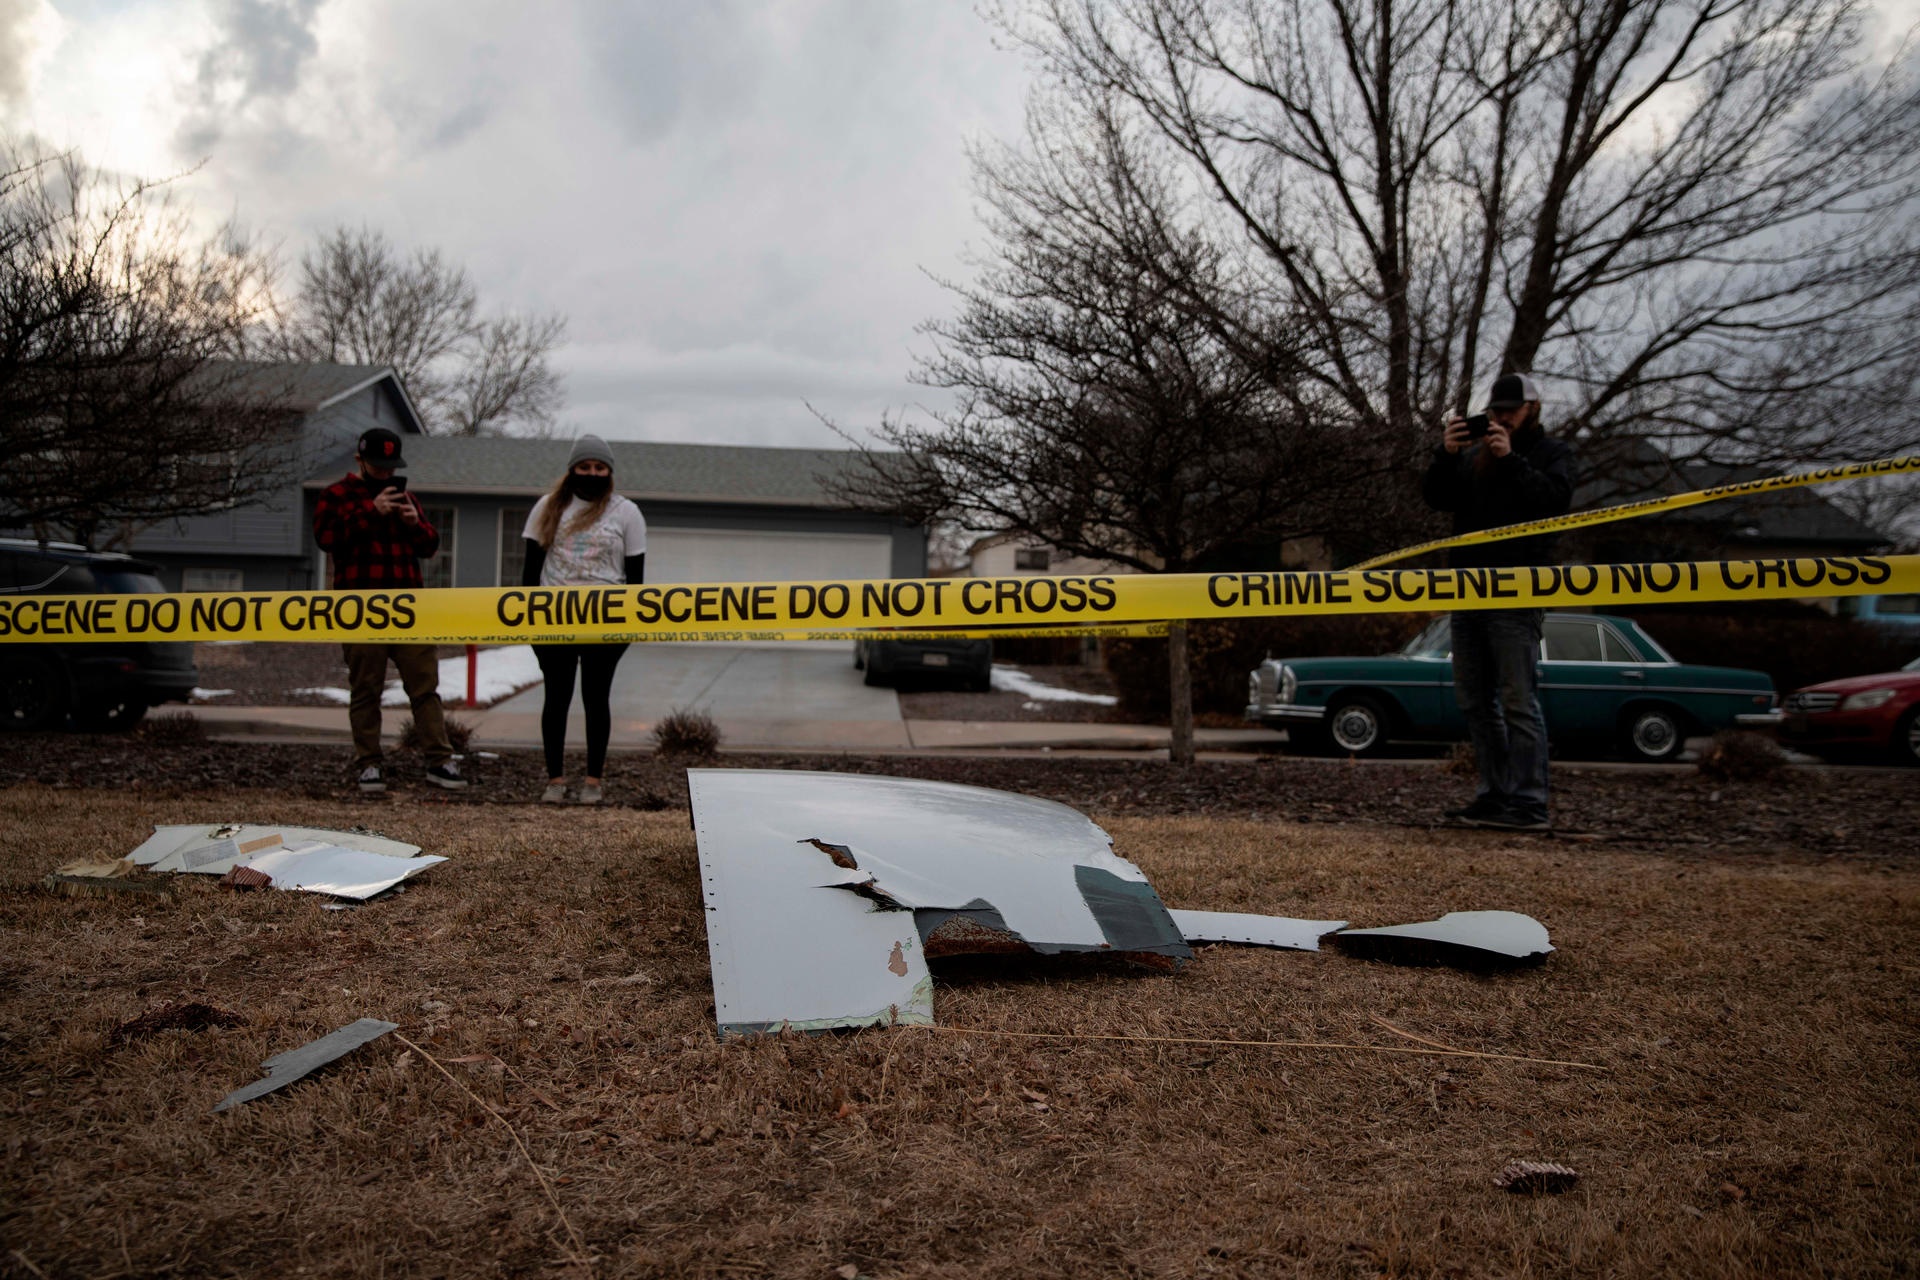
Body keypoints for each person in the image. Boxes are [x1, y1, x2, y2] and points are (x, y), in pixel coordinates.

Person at [1422, 372, 1574, 830]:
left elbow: (1553, 505)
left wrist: (1511, 461)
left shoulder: (1551, 454)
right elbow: (1436, 498)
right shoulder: (1471, 456)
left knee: (1517, 700)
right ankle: (1493, 794)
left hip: (1518, 591)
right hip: (1468, 590)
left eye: (1510, 409)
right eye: (1494, 410)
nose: (1500, 417)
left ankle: (1529, 802)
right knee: (1473, 700)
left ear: (1533, 409)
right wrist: (1445, 456)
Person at [312, 428, 467, 794]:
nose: (384, 473)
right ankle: (369, 764)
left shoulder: (406, 498)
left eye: (390, 466)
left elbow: (429, 547)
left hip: (409, 610)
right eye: (377, 466)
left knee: (425, 688)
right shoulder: (335, 495)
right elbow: (326, 539)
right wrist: (371, 511)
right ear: (360, 460)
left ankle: (439, 761)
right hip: (360, 610)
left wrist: (414, 523)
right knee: (365, 689)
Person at [521, 435, 646, 805]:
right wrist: (531, 623)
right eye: (585, 466)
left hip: (605, 623)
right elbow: (530, 573)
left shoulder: (626, 512)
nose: (592, 473)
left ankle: (593, 781)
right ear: (572, 469)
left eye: (599, 467)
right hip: (553, 621)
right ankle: (555, 780)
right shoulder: (548, 507)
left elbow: (635, 579)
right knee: (556, 699)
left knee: (596, 699)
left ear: (609, 472)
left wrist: (627, 628)